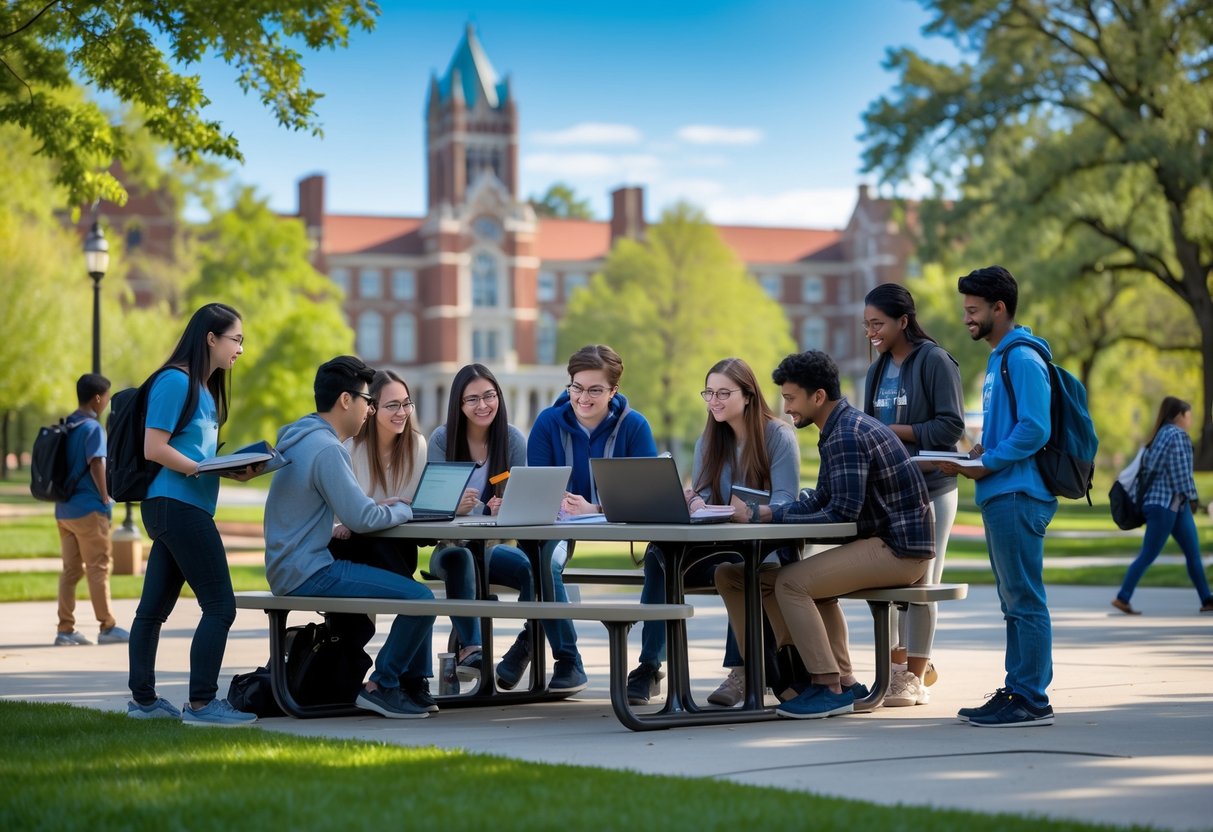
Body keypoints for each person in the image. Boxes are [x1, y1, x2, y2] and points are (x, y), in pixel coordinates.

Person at [713, 349, 934, 720]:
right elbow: (821, 499)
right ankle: (835, 679)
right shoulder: (839, 428)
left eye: (791, 398)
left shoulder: (847, 434)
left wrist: (774, 519)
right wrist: (767, 513)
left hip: (900, 551)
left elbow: (840, 513)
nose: (787, 409)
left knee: (792, 584)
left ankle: (826, 685)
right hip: (882, 545)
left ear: (818, 396)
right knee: (735, 576)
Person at [264, 355, 436, 719]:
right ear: (346, 400)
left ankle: (392, 683)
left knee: (410, 593)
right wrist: (408, 508)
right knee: (421, 598)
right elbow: (362, 517)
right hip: (311, 571)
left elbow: (358, 510)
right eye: (368, 402)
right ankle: (381, 686)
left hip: (290, 566)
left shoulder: (300, 437)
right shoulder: (327, 449)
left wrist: (383, 506)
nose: (370, 411)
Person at [627, 357, 800, 707]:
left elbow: (787, 502)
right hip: (718, 542)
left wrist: (750, 512)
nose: (714, 401)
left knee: (736, 570)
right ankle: (650, 667)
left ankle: (743, 670)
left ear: (748, 395)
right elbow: (704, 495)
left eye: (724, 393)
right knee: (659, 555)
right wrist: (692, 502)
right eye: (709, 393)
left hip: (766, 546)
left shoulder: (778, 435)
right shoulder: (709, 439)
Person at [935, 265, 1058, 728]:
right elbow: (1011, 430)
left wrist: (987, 461)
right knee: (1013, 600)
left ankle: (1031, 697)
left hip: (1018, 493)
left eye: (973, 310)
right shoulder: (998, 358)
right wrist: (977, 453)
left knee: (1024, 598)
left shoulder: (1021, 358)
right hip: (1000, 490)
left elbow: (1036, 427)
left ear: (998, 308)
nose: (966, 317)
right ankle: (1017, 689)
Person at [127, 303, 260, 725]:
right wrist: (201, 467)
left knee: (153, 610)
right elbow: (154, 447)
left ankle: (144, 703)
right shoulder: (176, 381)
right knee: (220, 605)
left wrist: (232, 471)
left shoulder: (203, 389)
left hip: (184, 505)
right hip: (175, 505)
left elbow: (192, 452)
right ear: (211, 339)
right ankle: (202, 704)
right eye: (235, 339)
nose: (240, 348)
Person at [527, 344, 658, 693]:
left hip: (617, 521)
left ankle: (649, 668)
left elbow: (650, 497)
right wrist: (565, 506)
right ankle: (568, 660)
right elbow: (538, 490)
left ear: (614, 391)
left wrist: (595, 509)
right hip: (561, 524)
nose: (583, 398)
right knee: (543, 558)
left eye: (595, 390)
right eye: (577, 387)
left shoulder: (634, 425)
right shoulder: (547, 423)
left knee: (663, 558)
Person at [860, 283, 965, 707]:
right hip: (886, 493)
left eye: (878, 323)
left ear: (904, 321)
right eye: (867, 324)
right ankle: (896, 669)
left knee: (923, 584)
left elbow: (949, 428)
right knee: (886, 584)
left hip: (932, 489)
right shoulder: (876, 370)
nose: (872, 332)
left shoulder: (935, 361)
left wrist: (889, 431)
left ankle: (915, 677)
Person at [427, 363, 558, 690]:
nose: (482, 405)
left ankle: (524, 647)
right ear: (458, 404)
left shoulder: (512, 439)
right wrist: (454, 507)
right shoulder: (442, 439)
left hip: (494, 548)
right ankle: (472, 649)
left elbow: (524, 505)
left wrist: (507, 508)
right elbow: (431, 506)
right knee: (461, 560)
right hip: (450, 549)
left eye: (489, 395)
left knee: (533, 570)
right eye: (472, 399)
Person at [1112, 397, 1213, 615]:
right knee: (1149, 553)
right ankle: (1122, 597)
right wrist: (1193, 497)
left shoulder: (1159, 434)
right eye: (1189, 415)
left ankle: (1207, 598)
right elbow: (1180, 473)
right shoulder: (1177, 435)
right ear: (1179, 416)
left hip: (1174, 505)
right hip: (1164, 504)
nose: (1191, 420)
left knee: (1193, 553)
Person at [53, 373, 129, 647]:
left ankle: (65, 630)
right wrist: (105, 496)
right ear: (98, 398)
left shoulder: (68, 425)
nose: (107, 402)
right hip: (88, 510)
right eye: (106, 397)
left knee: (71, 571)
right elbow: (98, 463)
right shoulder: (93, 429)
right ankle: (107, 627)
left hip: (64, 511)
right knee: (98, 568)